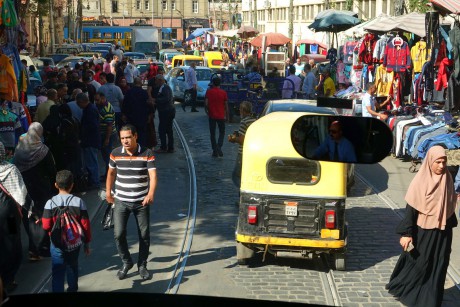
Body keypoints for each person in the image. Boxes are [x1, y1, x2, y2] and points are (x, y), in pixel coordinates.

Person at [386, 145, 458, 307]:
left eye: (444, 162)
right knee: (421, 263)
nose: (441, 166)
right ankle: (409, 292)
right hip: (423, 231)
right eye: (438, 162)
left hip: (443, 232)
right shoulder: (420, 181)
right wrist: (406, 233)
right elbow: (411, 209)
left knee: (440, 263)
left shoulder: (447, 178)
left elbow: (449, 206)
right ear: (429, 162)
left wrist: (448, 222)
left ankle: (430, 299)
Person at [105, 124, 157, 281]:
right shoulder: (115, 154)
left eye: (128, 137)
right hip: (121, 201)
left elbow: (153, 176)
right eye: (122, 138)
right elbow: (111, 173)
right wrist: (108, 191)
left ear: (135, 136)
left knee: (144, 235)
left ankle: (142, 265)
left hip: (141, 202)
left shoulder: (147, 153)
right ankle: (126, 262)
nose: (125, 141)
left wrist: (151, 193)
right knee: (118, 234)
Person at [41, 170, 92, 292]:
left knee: (58, 271)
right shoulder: (79, 202)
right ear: (72, 185)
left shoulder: (49, 203)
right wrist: (87, 243)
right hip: (74, 243)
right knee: (72, 266)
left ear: (56, 185)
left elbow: (46, 226)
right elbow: (85, 225)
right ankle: (72, 290)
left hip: (56, 243)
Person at [13, 122, 57, 260]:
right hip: (42, 189)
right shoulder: (43, 150)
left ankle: (33, 249)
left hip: (25, 190)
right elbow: (52, 171)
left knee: (29, 218)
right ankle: (43, 247)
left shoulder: (19, 150)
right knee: (44, 216)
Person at [0, 142, 32, 293]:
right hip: (9, 216)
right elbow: (21, 194)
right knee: (12, 243)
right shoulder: (10, 169)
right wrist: (33, 211)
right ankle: (9, 278)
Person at [228, 101, 256, 188]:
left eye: (240, 109)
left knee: (236, 176)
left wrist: (233, 139)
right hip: (253, 151)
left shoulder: (244, 121)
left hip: (243, 152)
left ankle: (244, 191)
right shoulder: (254, 120)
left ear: (243, 110)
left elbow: (242, 140)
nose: (239, 111)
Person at [76, 93, 101, 190]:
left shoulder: (90, 110)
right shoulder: (90, 109)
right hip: (90, 141)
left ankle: (95, 182)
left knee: (91, 163)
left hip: (90, 141)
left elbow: (92, 127)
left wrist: (83, 136)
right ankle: (93, 181)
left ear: (82, 102)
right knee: (91, 162)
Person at [121, 77, 150, 148]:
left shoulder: (129, 92)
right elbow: (148, 105)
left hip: (131, 117)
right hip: (142, 117)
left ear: (134, 83)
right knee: (141, 134)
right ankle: (142, 149)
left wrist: (124, 114)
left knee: (132, 133)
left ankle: (132, 148)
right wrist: (149, 115)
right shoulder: (144, 93)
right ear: (140, 83)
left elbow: (125, 104)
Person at [205, 77, 229, 157]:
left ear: (213, 83)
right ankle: (219, 146)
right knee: (222, 132)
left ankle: (214, 150)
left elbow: (206, 104)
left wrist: (207, 111)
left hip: (212, 115)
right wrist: (227, 116)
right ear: (220, 83)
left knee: (212, 133)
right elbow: (226, 105)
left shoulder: (209, 92)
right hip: (221, 115)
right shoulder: (223, 93)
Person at [153, 74, 175, 153]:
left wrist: (155, 100)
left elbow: (166, 98)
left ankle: (164, 147)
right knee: (168, 129)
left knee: (162, 129)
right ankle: (170, 147)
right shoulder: (163, 87)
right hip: (167, 111)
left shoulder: (165, 88)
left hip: (166, 111)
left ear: (160, 80)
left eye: (156, 80)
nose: (155, 82)